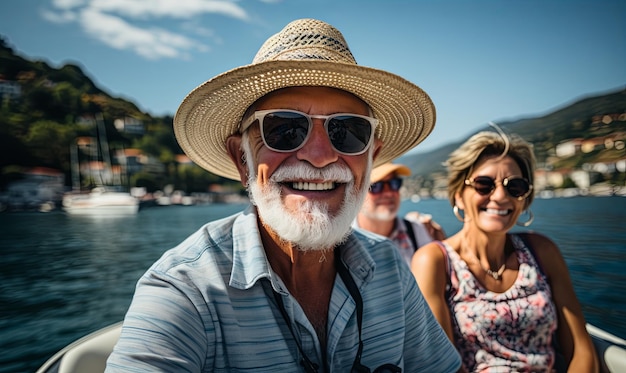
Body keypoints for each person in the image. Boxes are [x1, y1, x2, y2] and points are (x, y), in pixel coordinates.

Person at [106, 18, 461, 372]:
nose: (320, 156)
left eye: (348, 131)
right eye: (285, 129)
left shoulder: (389, 268)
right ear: (241, 158)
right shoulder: (185, 290)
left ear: (370, 157)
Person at [410, 126, 598, 372]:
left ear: (524, 199)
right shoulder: (435, 260)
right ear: (458, 195)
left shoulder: (542, 251)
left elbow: (581, 350)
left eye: (515, 187)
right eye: (484, 184)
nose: (500, 196)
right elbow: (441, 364)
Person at [354, 162, 445, 265]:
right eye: (376, 186)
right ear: (356, 192)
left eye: (394, 183)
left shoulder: (419, 231)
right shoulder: (340, 242)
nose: (388, 193)